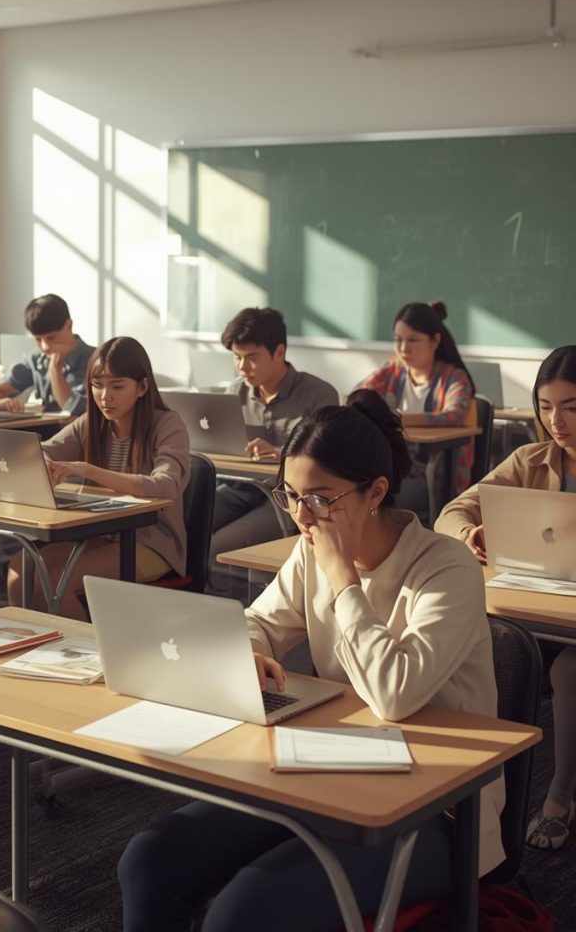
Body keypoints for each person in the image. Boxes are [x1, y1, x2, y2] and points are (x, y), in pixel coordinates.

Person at [118, 390, 503, 932]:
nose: (301, 516)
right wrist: (251, 650)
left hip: (436, 808)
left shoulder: (446, 567)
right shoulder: (311, 548)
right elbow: (257, 622)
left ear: (376, 493)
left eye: (320, 498)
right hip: (328, 768)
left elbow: (395, 694)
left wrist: (345, 579)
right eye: (291, 495)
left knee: (243, 911)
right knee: (150, 859)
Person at [437, 344, 576, 850]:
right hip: (536, 605)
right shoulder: (530, 459)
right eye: (545, 406)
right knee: (487, 645)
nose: (555, 421)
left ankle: (559, 796)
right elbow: (453, 510)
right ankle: (467, 795)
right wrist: (469, 533)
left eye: (571, 407)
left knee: (567, 671)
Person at [6, 336, 189, 620]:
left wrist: (88, 470)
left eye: (117, 386)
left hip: (150, 543)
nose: (105, 396)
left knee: (56, 582)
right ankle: (31, 645)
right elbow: (38, 450)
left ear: (142, 387)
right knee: (21, 567)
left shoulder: (167, 424)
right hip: (98, 535)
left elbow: (165, 487)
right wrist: (41, 460)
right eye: (97, 385)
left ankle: (81, 658)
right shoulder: (91, 423)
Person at [210, 307, 339, 567]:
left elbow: (327, 461)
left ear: (279, 351)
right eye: (237, 357)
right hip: (240, 489)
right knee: (186, 522)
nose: (242, 367)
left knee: (218, 544)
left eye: (252, 357)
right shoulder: (234, 392)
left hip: (286, 499)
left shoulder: (320, 395)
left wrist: (283, 455)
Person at [357, 300, 475, 521]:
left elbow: (454, 415)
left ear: (435, 341)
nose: (403, 348)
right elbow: (358, 398)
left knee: (368, 500)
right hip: (394, 470)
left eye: (412, 340)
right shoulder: (392, 370)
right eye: (398, 340)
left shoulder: (453, 377)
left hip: (434, 478)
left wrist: (396, 418)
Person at [0, 293, 94, 416]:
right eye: (38, 340)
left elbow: (71, 408)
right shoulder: (37, 360)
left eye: (52, 337)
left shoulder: (95, 360)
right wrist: (2, 403)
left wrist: (54, 370)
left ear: (69, 326)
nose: (45, 347)